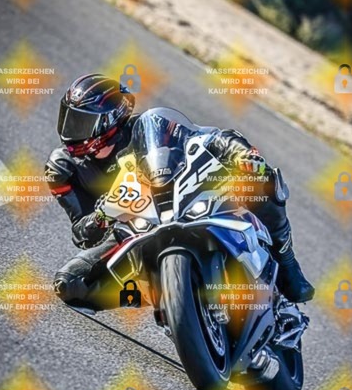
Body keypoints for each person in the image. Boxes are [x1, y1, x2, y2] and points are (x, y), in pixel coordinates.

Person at [45, 73, 315, 310]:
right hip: (133, 230)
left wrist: (243, 154)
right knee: (68, 284)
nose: (71, 132)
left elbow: (209, 137)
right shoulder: (62, 168)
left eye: (80, 122)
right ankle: (166, 296)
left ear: (110, 120)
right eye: (68, 119)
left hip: (186, 197)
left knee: (260, 178)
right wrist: (102, 216)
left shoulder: (148, 126)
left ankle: (286, 261)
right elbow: (82, 235)